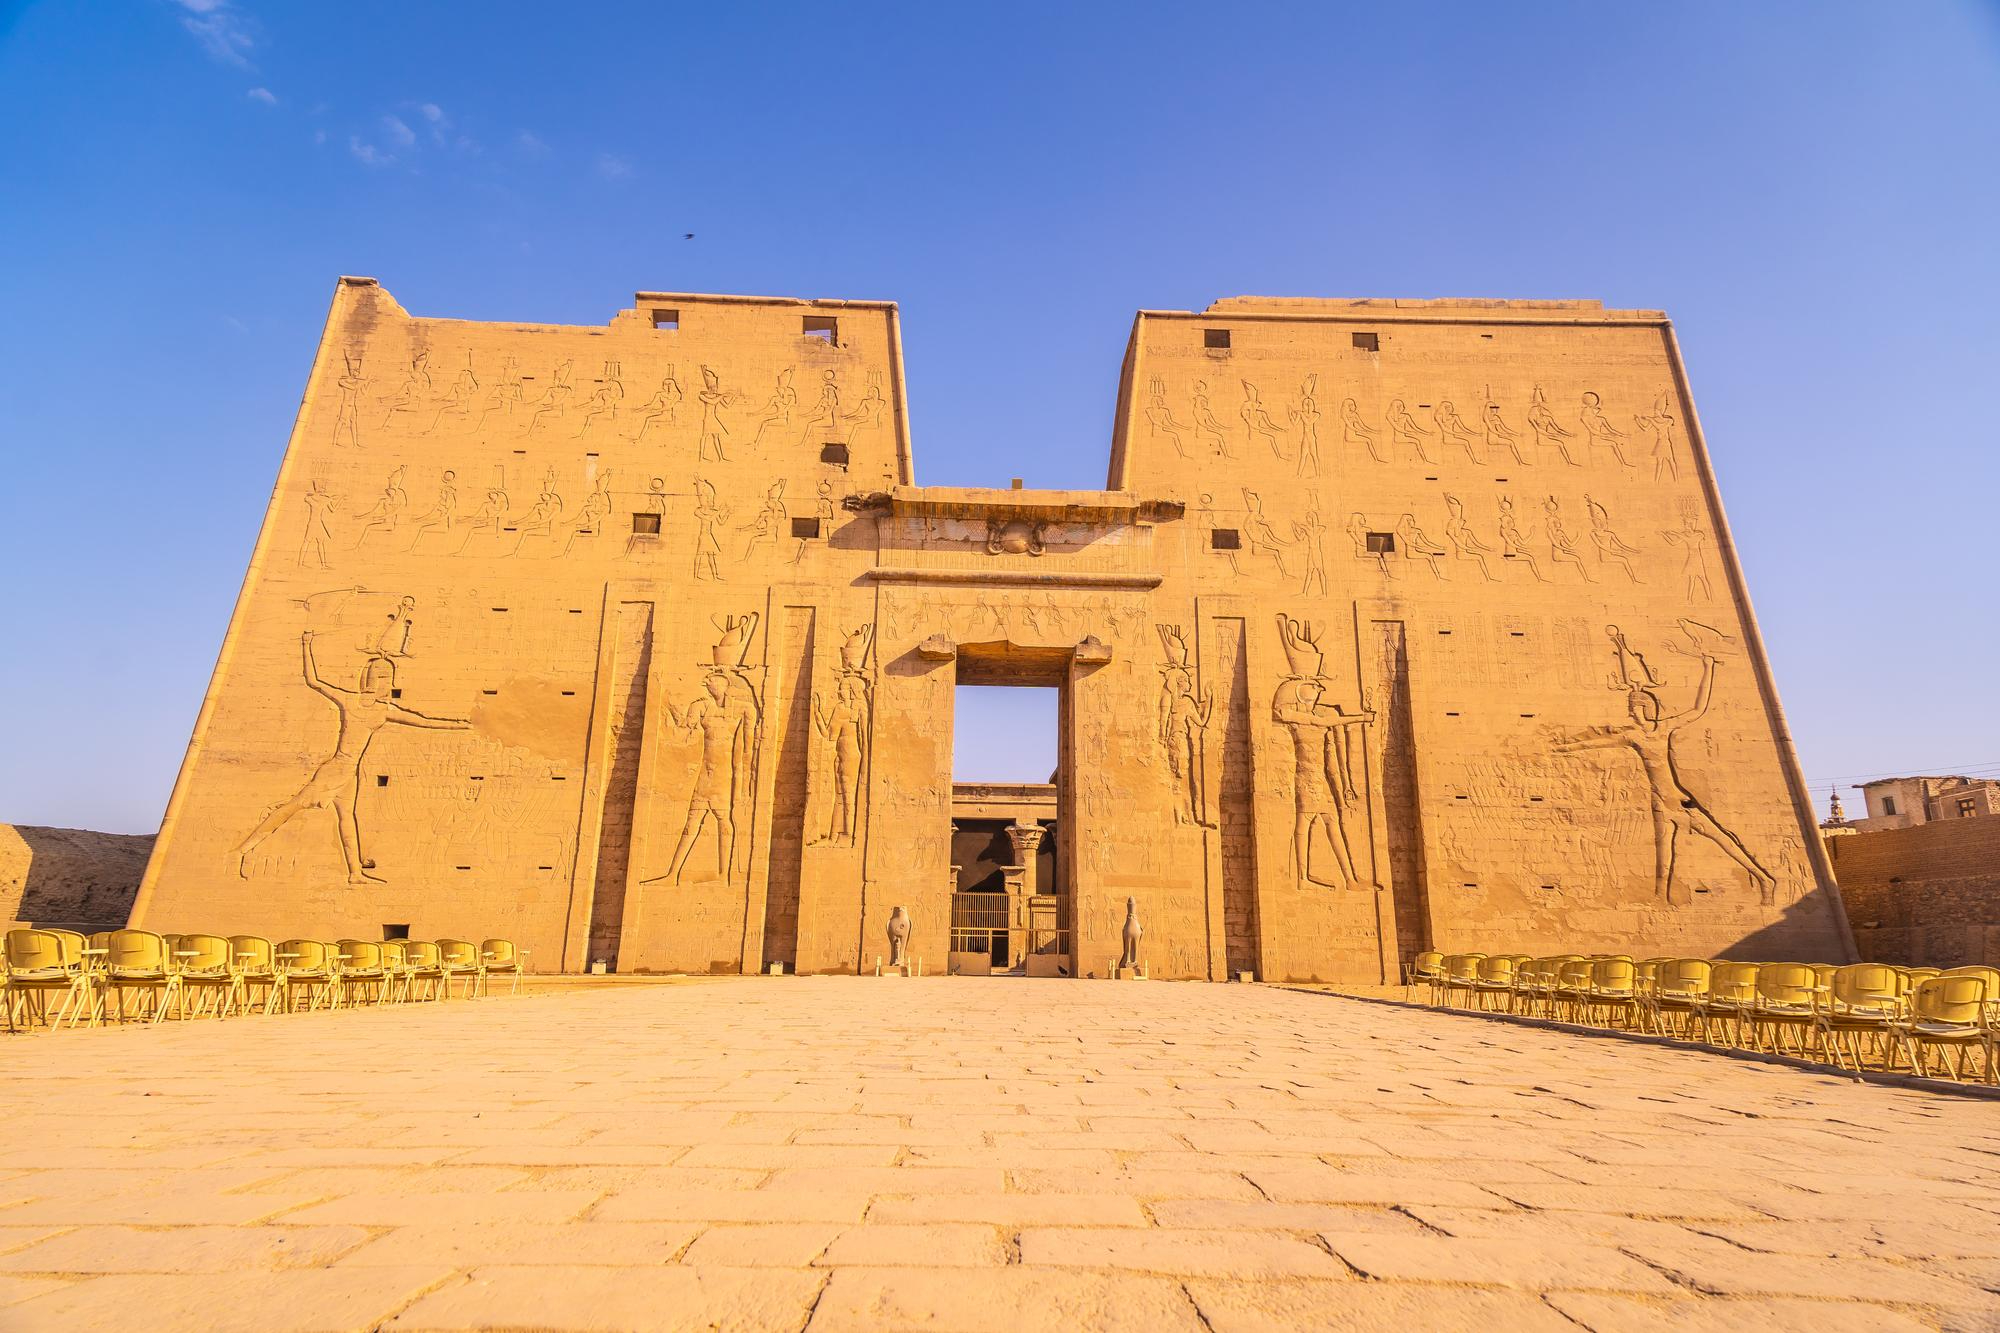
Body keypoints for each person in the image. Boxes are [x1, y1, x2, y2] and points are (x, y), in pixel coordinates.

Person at [235, 632, 468, 884]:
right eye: (383, 678)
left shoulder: (382, 710)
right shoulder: (352, 702)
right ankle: (243, 849)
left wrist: (460, 725)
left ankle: (355, 873)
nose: (387, 684)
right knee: (293, 807)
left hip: (350, 773)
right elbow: (314, 681)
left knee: (347, 820)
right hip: (336, 769)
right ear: (369, 679)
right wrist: (306, 645)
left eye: (389, 678)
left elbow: (424, 723)